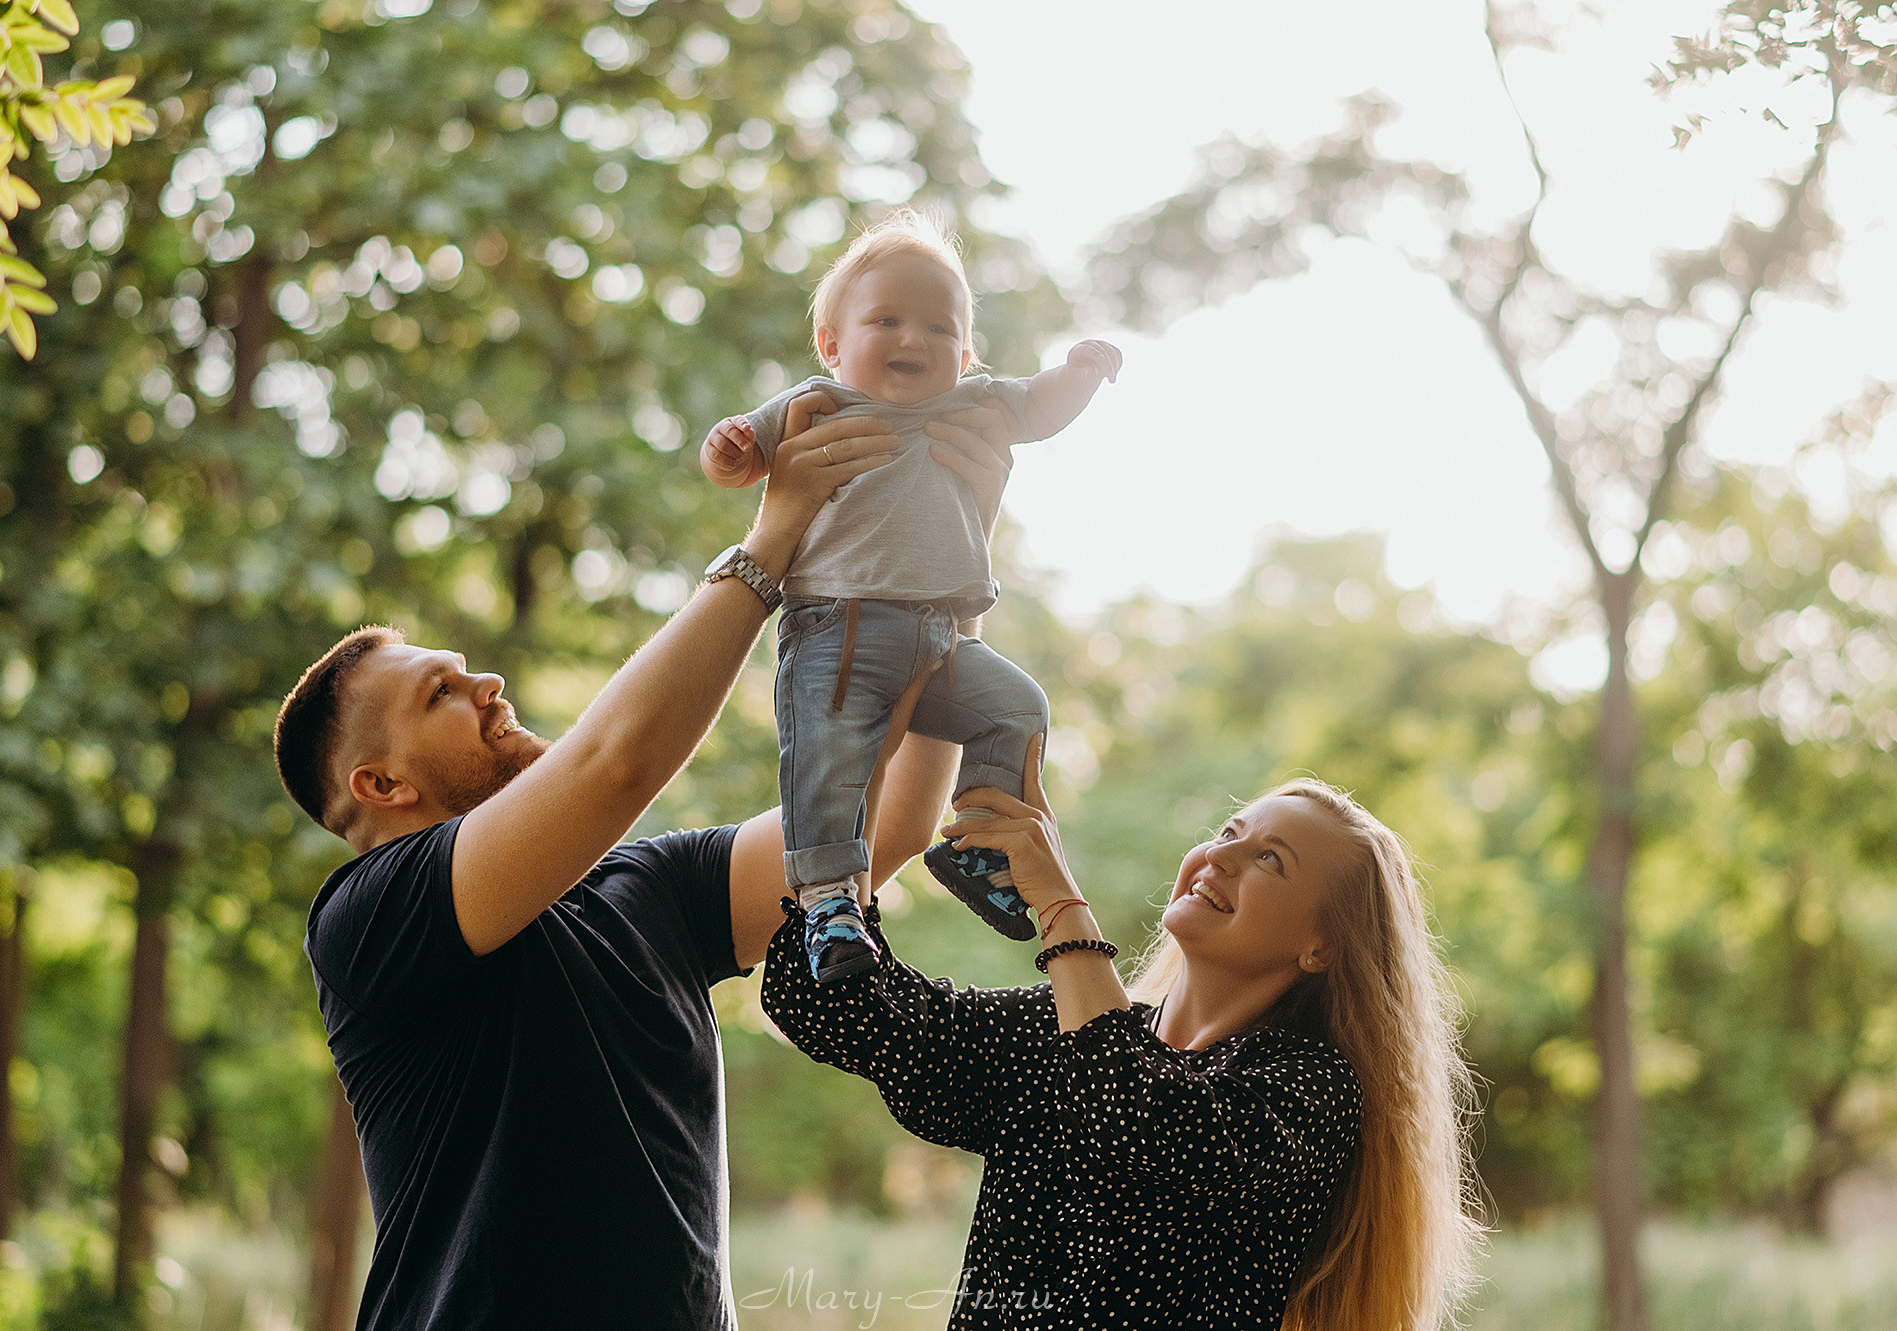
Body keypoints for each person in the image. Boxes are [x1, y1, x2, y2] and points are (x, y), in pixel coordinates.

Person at [272, 398, 1014, 1331]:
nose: (486, 683)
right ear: (379, 784)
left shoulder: (650, 889)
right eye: (442, 694)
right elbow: (615, 761)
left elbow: (890, 820)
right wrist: (774, 533)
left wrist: (952, 568)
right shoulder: (369, 916)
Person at [762, 752, 1485, 1329]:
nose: (1222, 857)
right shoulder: (1063, 1035)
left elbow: (1134, 1126)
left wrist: (1061, 905)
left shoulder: (1309, 1089)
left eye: (1271, 859)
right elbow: (831, 1004)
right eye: (1231, 831)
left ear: (1321, 947)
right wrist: (889, 745)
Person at [699, 210, 1122, 982]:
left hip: (945, 635)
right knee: (829, 763)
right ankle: (829, 901)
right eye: (886, 320)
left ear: (965, 355)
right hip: (839, 627)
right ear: (832, 344)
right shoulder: (818, 405)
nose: (913, 339)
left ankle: (977, 848)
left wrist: (1083, 372)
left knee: (1018, 707)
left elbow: (1039, 404)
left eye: (938, 327)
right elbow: (741, 456)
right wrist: (730, 449)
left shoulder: (971, 407)